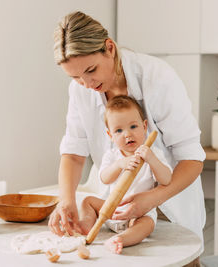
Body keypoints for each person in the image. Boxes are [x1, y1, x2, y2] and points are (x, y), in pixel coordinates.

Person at [49, 10, 206, 259]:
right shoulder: (80, 90)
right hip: (119, 210)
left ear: (109, 48)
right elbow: (74, 152)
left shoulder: (157, 76)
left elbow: (192, 158)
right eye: (76, 77)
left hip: (171, 204)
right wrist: (65, 201)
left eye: (91, 70)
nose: (87, 84)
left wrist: (152, 198)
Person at [79, 95, 172, 254]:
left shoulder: (152, 153)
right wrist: (119, 164)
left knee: (147, 224)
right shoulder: (113, 155)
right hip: (112, 209)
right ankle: (85, 228)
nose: (127, 134)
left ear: (144, 126)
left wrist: (151, 159)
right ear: (110, 135)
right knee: (87, 201)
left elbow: (167, 179)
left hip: (137, 213)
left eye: (133, 127)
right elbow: (104, 178)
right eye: (119, 130)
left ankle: (121, 239)